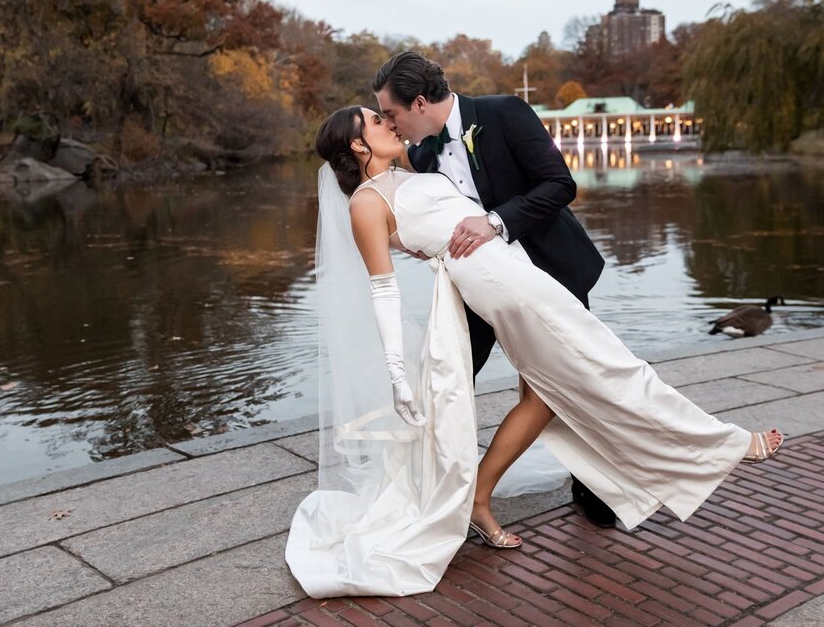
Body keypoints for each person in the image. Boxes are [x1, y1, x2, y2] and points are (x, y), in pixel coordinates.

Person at [284, 103, 783, 599]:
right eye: (375, 121)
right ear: (356, 144)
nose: (387, 123)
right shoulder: (365, 204)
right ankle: (728, 445)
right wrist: (397, 373)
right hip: (504, 288)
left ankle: (478, 499)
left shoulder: (411, 167)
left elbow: (459, 195)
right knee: (614, 366)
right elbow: (384, 290)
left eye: (387, 113)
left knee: (549, 394)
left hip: (519, 269)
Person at [373, 50, 617, 528]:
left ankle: (590, 484)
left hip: (550, 274)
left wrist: (494, 221)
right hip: (477, 290)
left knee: (563, 383)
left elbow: (560, 185)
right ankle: (432, 486)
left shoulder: (505, 112)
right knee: (447, 378)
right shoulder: (422, 153)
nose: (391, 124)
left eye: (392, 114)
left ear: (419, 102)